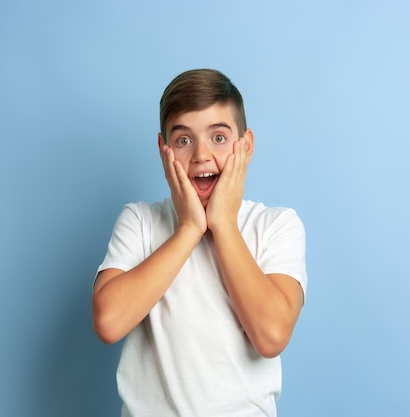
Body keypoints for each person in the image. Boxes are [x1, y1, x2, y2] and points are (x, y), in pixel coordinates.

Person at [92, 69, 307, 417]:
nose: (201, 155)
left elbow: (271, 336)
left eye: (219, 137)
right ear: (165, 152)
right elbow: (109, 322)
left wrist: (223, 225)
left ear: (246, 146)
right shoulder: (140, 222)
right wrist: (189, 228)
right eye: (183, 140)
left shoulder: (276, 226)